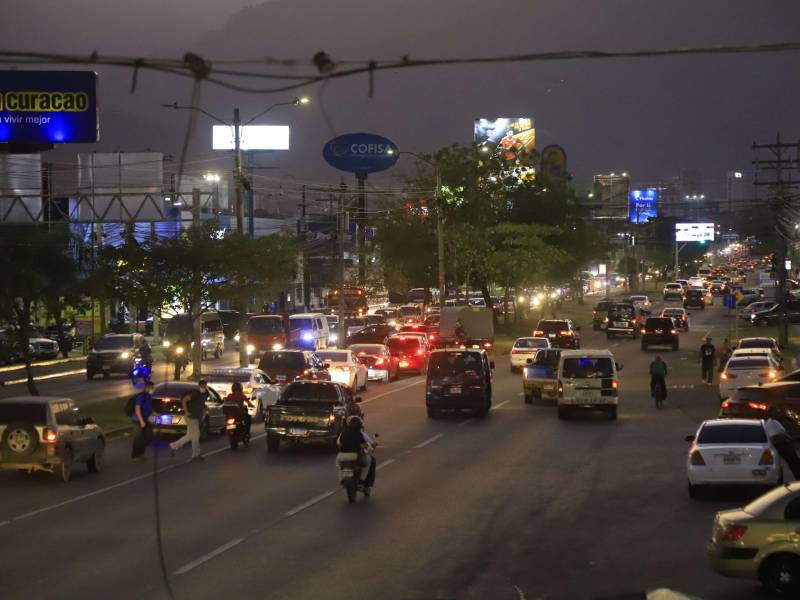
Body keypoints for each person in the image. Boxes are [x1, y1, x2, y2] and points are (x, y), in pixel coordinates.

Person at [169, 379, 207, 461]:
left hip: (196, 417)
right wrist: (186, 411)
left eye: (204, 386)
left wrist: (204, 410)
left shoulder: (203, 395)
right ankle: (196, 455)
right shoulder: (195, 393)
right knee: (196, 436)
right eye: (202, 386)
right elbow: (184, 400)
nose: (203, 387)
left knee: (190, 436)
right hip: (191, 417)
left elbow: (201, 405)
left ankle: (173, 446)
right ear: (199, 386)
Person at [336, 416, 376, 489]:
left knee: (339, 466)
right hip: (355, 456)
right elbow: (365, 445)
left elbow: (339, 443)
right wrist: (369, 448)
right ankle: (361, 480)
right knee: (369, 461)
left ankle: (342, 480)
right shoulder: (359, 434)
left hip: (341, 456)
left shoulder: (343, 433)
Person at [131, 381, 155, 461]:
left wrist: (154, 413)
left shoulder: (149, 396)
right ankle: (135, 456)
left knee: (149, 437)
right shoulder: (141, 396)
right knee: (138, 438)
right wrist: (141, 421)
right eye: (151, 387)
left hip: (145, 419)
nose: (152, 389)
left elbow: (148, 407)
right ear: (146, 387)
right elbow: (137, 409)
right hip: (138, 420)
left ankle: (141, 453)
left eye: (152, 388)